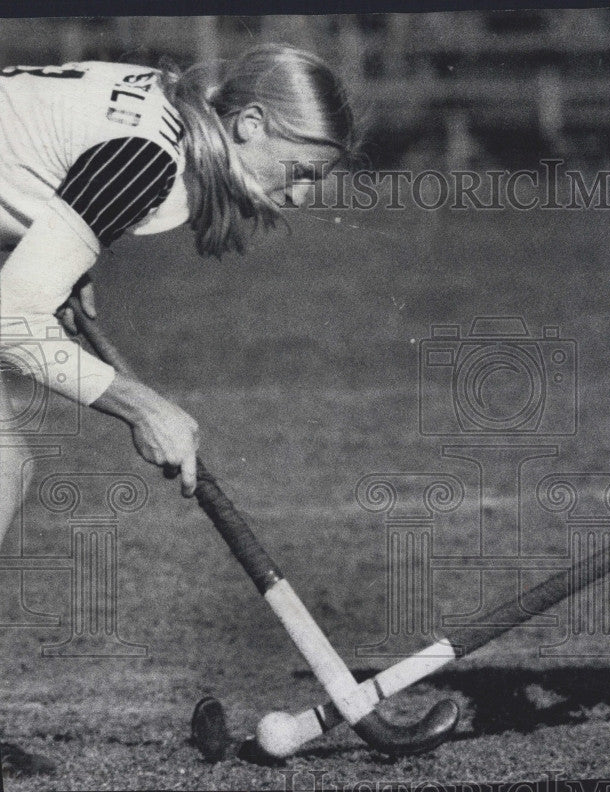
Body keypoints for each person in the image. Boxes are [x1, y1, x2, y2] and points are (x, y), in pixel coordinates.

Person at [0, 44, 354, 777]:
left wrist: (70, 257)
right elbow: (7, 319)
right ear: (251, 124)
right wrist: (139, 406)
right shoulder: (148, 161)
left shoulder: (170, 115)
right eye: (301, 173)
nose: (301, 200)